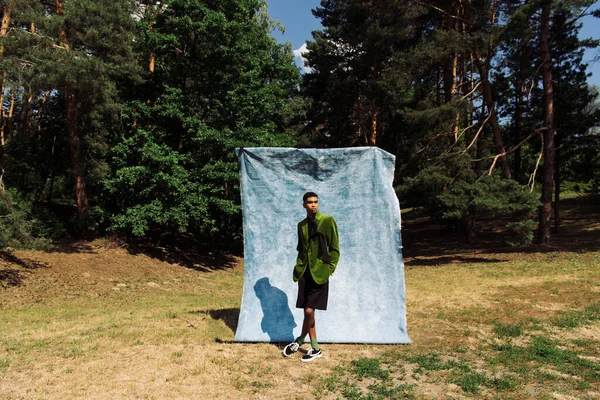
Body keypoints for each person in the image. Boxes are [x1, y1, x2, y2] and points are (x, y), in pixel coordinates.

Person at [283, 191, 340, 362]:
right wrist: (298, 266)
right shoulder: (301, 225)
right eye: (309, 202)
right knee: (309, 312)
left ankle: (300, 340)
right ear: (304, 205)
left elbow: (335, 248)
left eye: (316, 202)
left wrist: (329, 268)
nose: (313, 205)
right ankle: (315, 347)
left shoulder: (327, 221)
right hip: (304, 273)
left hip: (320, 273)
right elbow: (301, 248)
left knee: (309, 311)